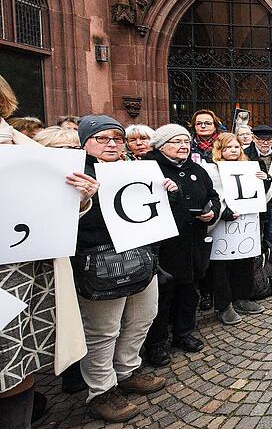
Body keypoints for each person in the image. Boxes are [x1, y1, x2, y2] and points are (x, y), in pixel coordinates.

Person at [0, 90, 89, 427]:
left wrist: (78, 198)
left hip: (19, 276)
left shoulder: (22, 150)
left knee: (13, 366)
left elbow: (42, 212)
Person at [75, 115, 166, 422]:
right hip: (100, 262)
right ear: (84, 141)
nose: (112, 143)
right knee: (103, 331)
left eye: (117, 137)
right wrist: (82, 201)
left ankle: (127, 371)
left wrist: (160, 190)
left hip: (140, 257)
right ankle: (101, 392)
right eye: (103, 138)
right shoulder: (74, 172)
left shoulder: (132, 168)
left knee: (143, 317)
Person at [143, 124, 220, 367]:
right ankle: (157, 343)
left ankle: (183, 333)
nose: (183, 146)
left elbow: (213, 197)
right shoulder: (148, 168)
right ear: (161, 145)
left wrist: (212, 212)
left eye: (186, 141)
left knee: (189, 289)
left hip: (193, 240)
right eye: (176, 141)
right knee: (163, 295)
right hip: (164, 244)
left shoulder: (197, 168)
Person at [210, 133, 267, 325]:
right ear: (220, 150)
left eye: (236, 147)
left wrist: (264, 180)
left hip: (246, 223)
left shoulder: (249, 167)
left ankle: (242, 298)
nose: (233, 151)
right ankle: (224, 306)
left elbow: (260, 197)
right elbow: (211, 196)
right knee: (222, 267)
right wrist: (222, 211)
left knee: (244, 261)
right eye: (227, 148)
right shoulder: (212, 170)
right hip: (222, 225)